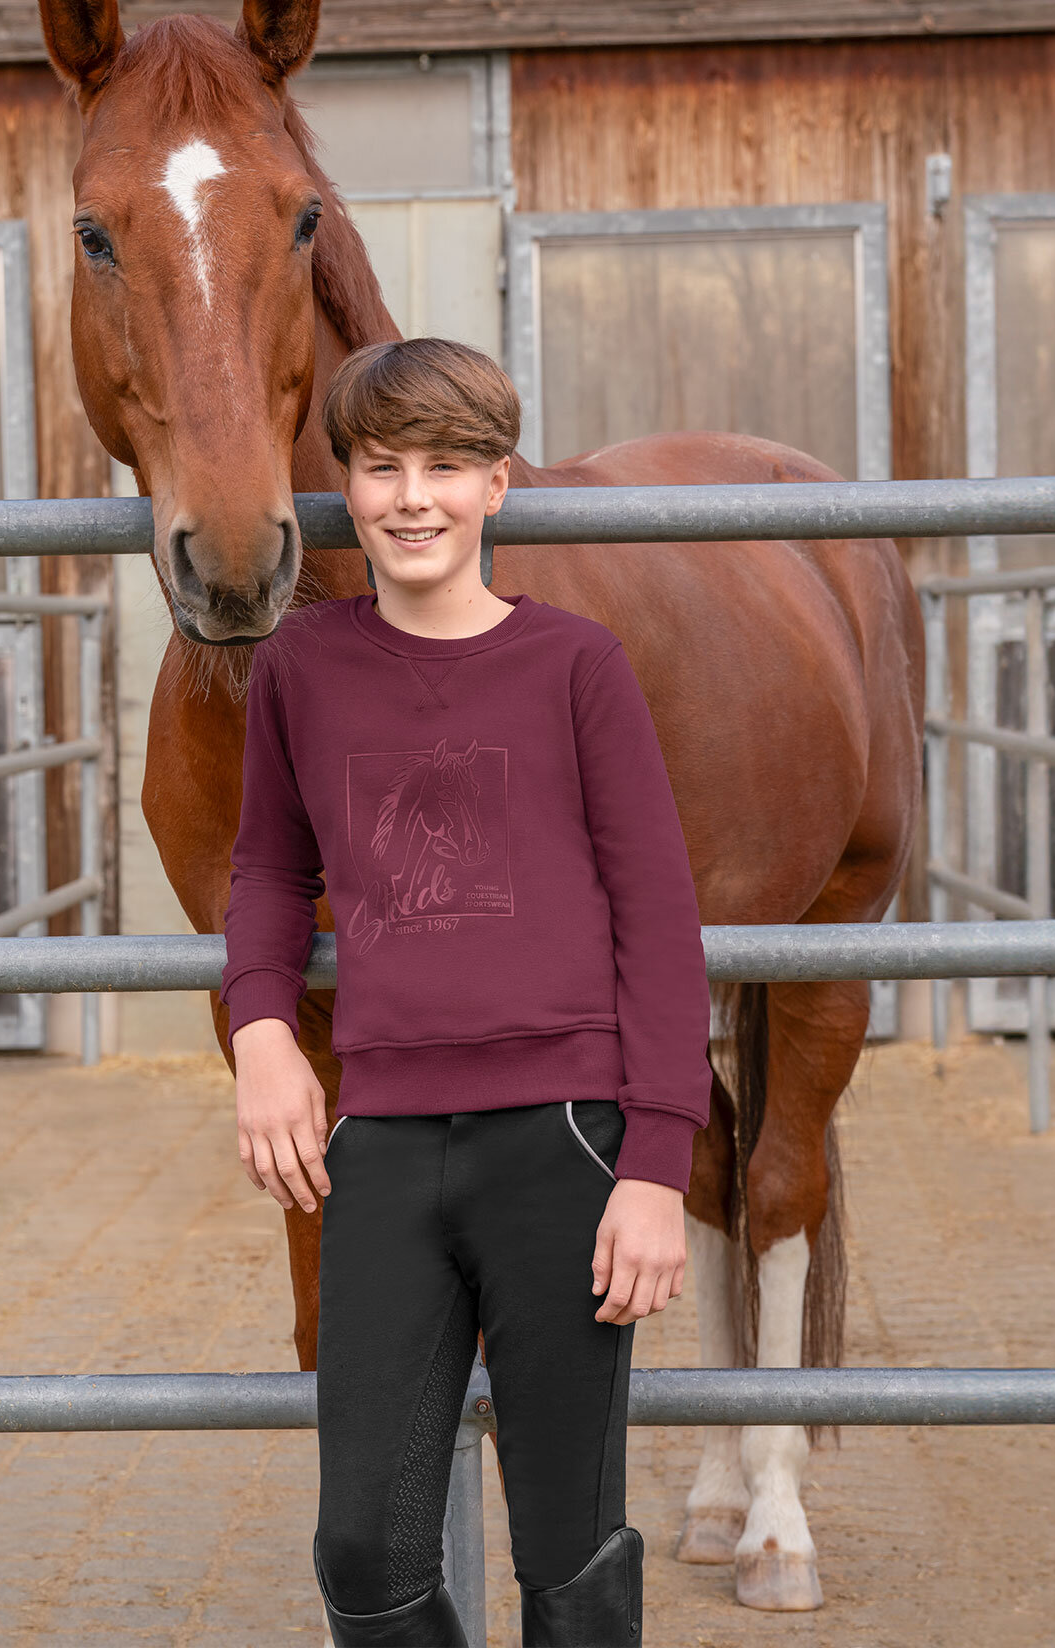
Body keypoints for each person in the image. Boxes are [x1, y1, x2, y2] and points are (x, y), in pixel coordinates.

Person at [220, 338, 712, 1647]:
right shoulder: (300, 668)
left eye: (445, 465)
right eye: (380, 468)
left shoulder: (575, 668)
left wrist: (655, 1164)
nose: (411, 497)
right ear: (345, 484)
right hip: (377, 1151)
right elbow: (268, 867)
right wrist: (262, 1030)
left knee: (566, 1537)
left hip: (564, 1142)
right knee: (362, 1547)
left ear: (497, 485)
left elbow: (660, 924)